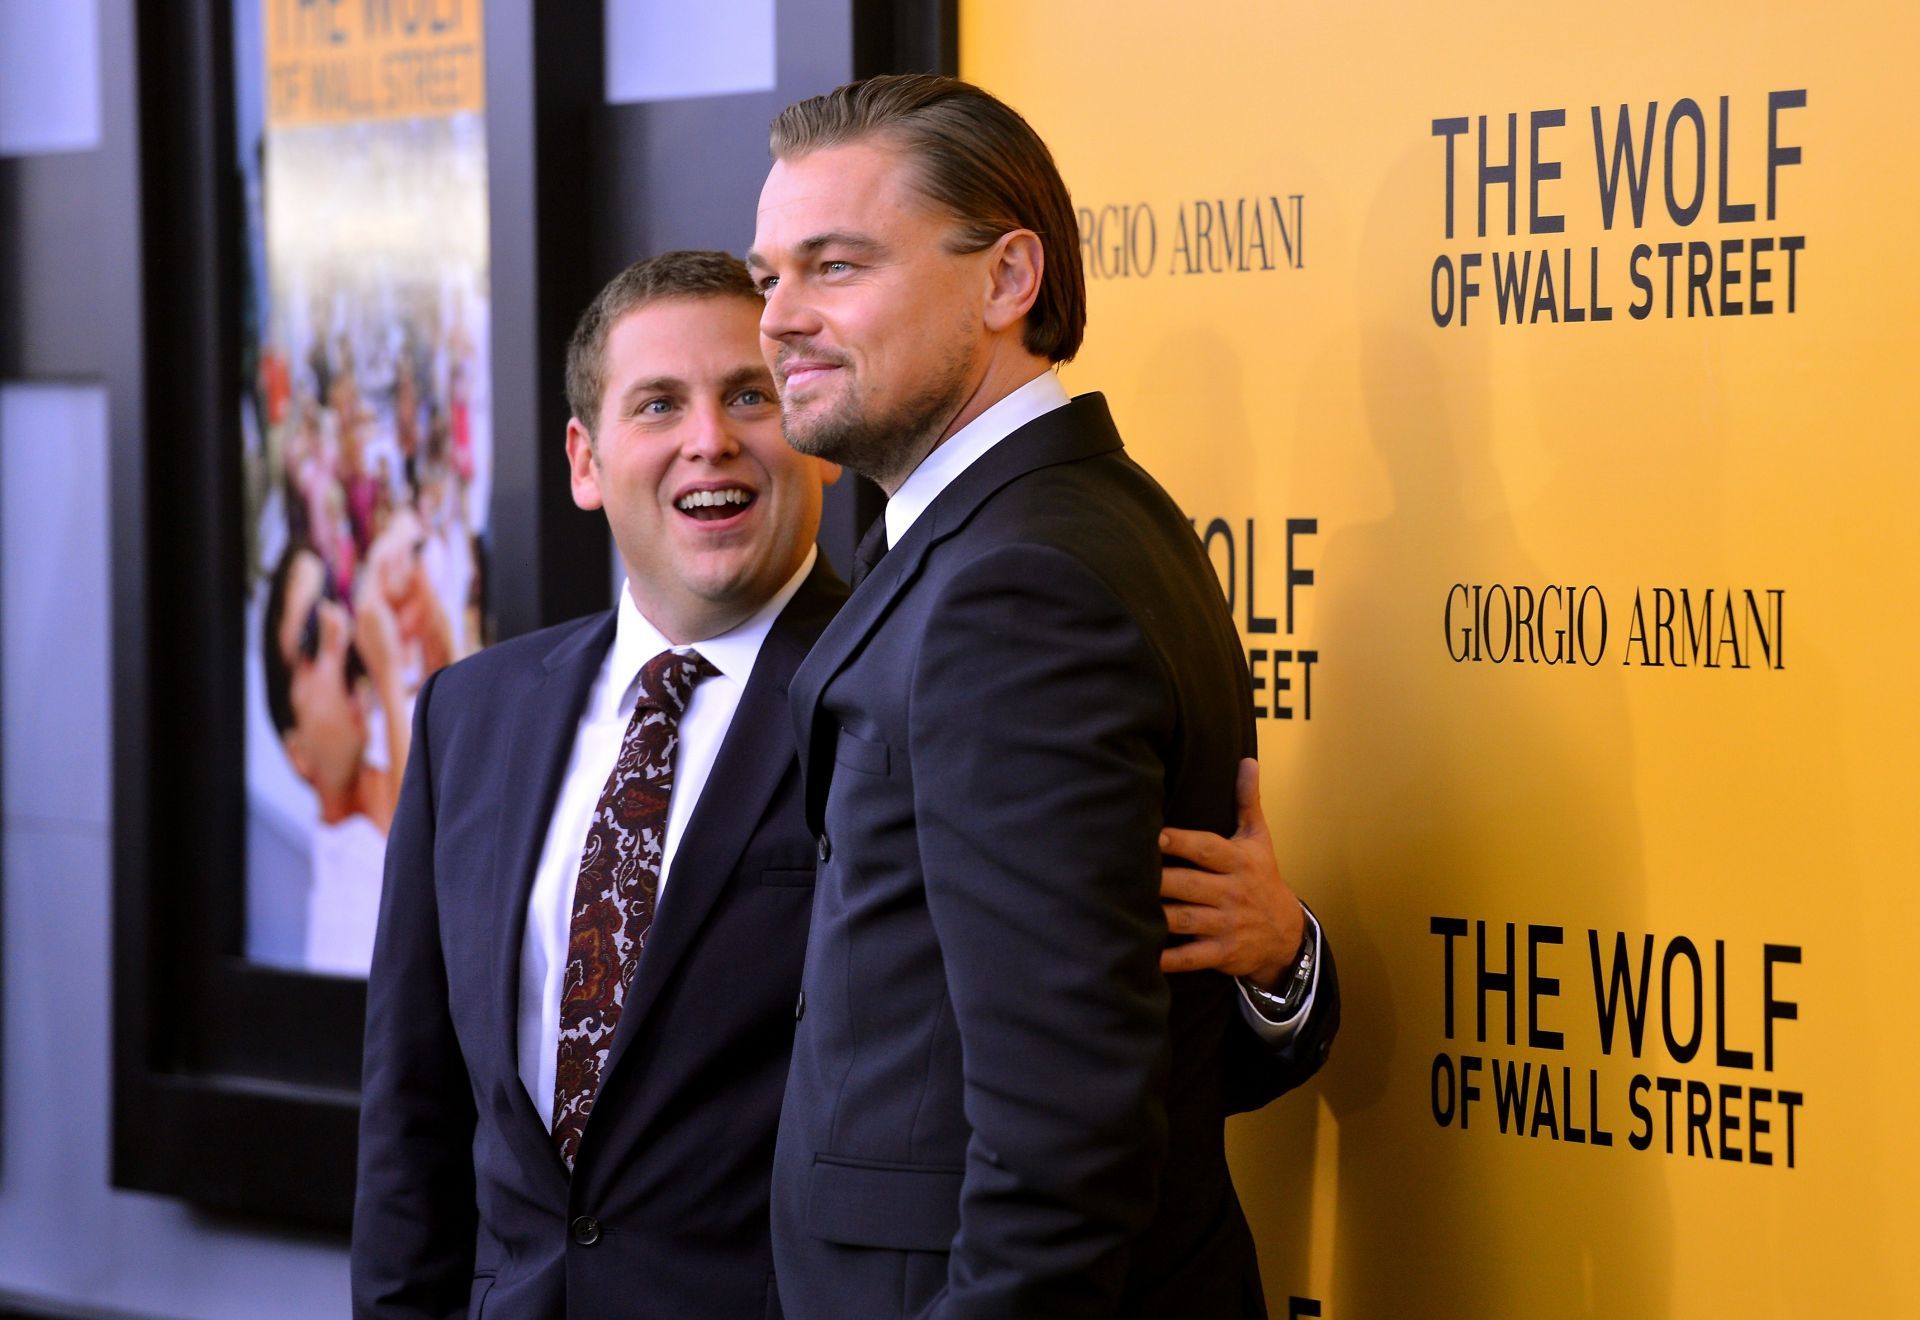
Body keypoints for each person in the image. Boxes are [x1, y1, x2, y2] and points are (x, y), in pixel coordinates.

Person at [352, 251, 1320, 1318]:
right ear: (586, 460)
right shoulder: (469, 717)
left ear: (812, 436)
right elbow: (413, 1122)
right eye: (659, 404)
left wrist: (1281, 963)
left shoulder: (945, 674)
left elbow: (1093, 1076)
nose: (707, 440)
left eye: (749, 395)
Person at [750, 75, 1338, 1318]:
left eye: (835, 267)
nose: (781, 321)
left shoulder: (1013, 588)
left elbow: (1067, 1143)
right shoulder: (1063, 524)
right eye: (768, 280)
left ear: (1008, 280)